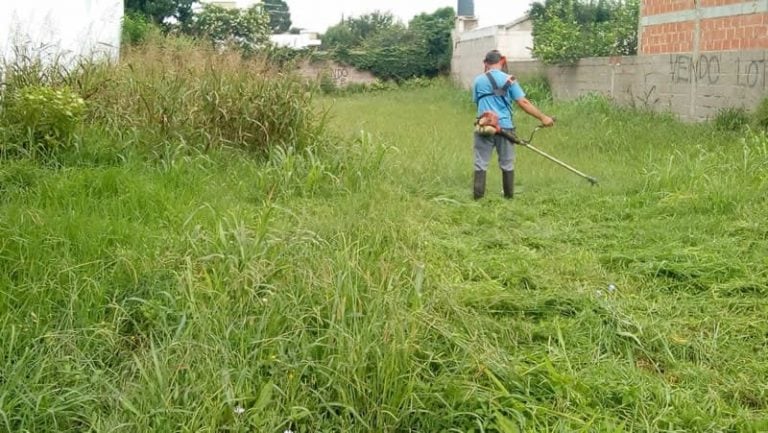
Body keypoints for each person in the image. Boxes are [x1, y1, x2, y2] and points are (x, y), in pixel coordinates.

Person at [472, 49, 554, 199]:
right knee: (507, 163)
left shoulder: (478, 80)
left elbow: (477, 102)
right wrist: (543, 118)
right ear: (502, 61)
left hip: (483, 126)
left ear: (486, 63)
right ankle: (509, 198)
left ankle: (478, 198)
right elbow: (523, 102)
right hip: (505, 127)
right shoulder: (509, 80)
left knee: (480, 162)